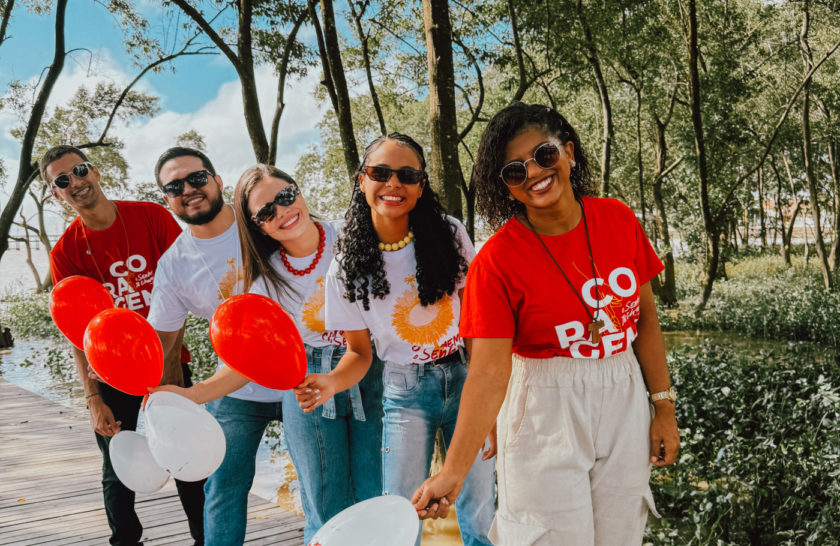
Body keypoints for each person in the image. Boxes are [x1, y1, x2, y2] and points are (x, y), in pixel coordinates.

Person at [411, 103, 681, 545]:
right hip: (542, 408)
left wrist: (663, 408)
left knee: (621, 534)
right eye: (515, 171)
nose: (534, 172)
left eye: (544, 154)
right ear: (507, 188)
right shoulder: (496, 262)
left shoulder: (618, 219)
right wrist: (453, 471)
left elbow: (645, 323)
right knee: (546, 536)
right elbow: (489, 371)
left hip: (624, 394)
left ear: (569, 152)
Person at [154, 163, 384, 544]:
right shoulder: (266, 281)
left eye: (286, 196)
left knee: (382, 494)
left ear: (299, 190)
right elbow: (250, 360)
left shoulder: (355, 235)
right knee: (325, 506)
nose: (282, 211)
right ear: (256, 225)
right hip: (307, 382)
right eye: (266, 212)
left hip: (373, 374)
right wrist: (190, 395)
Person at [295, 133, 496, 546]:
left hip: (463, 376)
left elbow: (477, 326)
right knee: (402, 513)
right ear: (361, 180)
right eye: (380, 172)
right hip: (405, 390)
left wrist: (487, 406)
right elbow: (359, 353)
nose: (393, 183)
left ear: (421, 186)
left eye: (407, 175)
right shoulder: (344, 269)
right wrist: (330, 382)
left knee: (479, 509)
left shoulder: (449, 234)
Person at [44, 144, 204, 546]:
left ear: (94, 171)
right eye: (63, 180)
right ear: (56, 194)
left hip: (169, 365)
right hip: (112, 375)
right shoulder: (65, 252)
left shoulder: (150, 217)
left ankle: (208, 539)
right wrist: (93, 398)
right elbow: (77, 332)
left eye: (79, 171)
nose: (75, 182)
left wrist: (170, 365)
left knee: (188, 462)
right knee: (117, 472)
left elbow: (181, 291)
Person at [145, 147, 280, 546]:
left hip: (303, 376)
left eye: (197, 178)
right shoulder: (173, 264)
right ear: (166, 199)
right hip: (234, 388)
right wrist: (166, 412)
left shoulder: (265, 224)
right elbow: (165, 345)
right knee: (222, 490)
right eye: (174, 186)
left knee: (318, 486)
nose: (188, 189)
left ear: (218, 180)